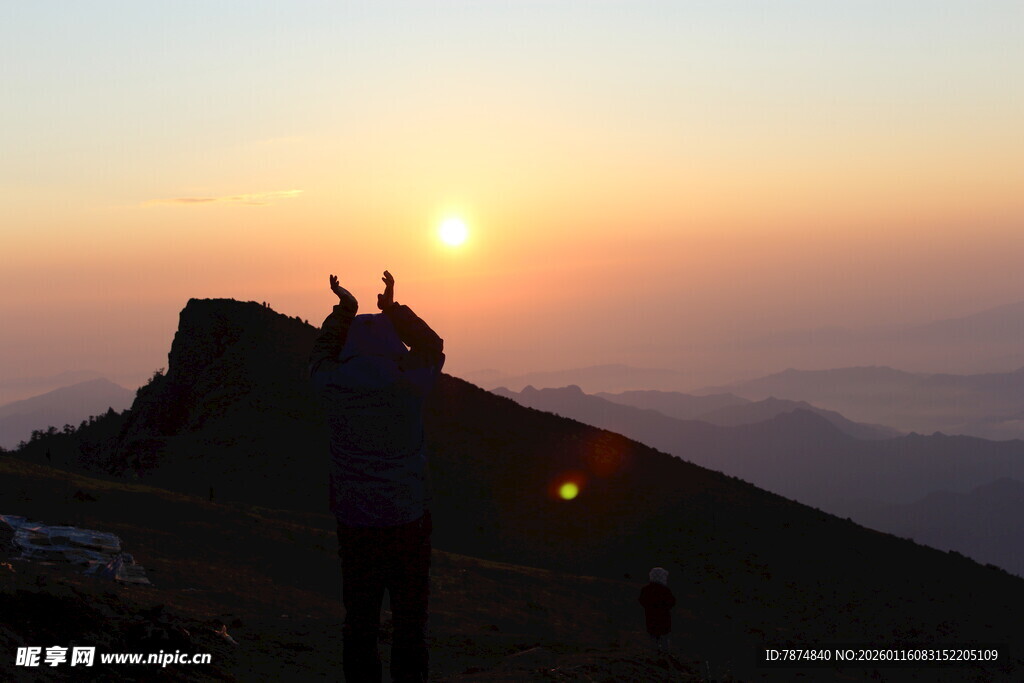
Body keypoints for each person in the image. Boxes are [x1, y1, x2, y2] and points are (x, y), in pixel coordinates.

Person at [309, 270, 444, 683]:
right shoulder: (408, 384)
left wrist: (344, 311)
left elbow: (321, 353)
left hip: (356, 524)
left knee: (361, 621)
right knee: (409, 624)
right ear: (391, 345)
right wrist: (393, 310)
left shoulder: (331, 384)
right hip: (407, 521)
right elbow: (433, 347)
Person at [638, 566, 676, 653]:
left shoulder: (646, 590)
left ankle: (655, 654)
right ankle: (664, 655)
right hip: (664, 619)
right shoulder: (665, 590)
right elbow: (672, 602)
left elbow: (642, 601)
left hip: (650, 618)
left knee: (653, 639)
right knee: (664, 640)